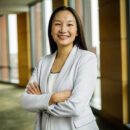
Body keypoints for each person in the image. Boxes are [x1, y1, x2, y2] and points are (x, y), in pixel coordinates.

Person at [21, 6, 99, 130]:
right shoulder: (43, 62)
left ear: (77, 31)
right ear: (51, 30)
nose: (63, 29)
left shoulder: (87, 59)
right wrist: (53, 98)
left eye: (69, 25)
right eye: (58, 24)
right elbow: (25, 101)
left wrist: (42, 102)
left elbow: (76, 107)